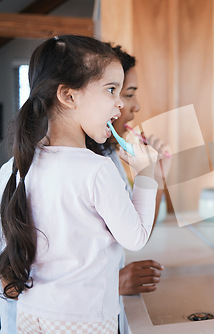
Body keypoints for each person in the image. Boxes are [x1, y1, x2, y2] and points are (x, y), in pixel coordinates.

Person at [0, 35, 158, 333]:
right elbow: (135, 237)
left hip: (31, 315)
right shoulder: (96, 169)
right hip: (84, 320)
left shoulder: (21, 165)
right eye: (112, 90)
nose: (120, 103)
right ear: (69, 96)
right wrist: (147, 174)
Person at [86, 44, 164, 334]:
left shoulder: (108, 157)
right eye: (125, 93)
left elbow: (135, 232)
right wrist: (111, 282)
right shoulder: (23, 173)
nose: (132, 106)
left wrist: (156, 177)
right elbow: (10, 279)